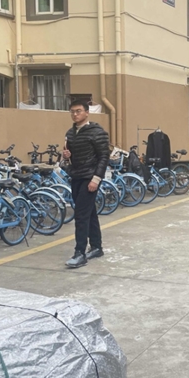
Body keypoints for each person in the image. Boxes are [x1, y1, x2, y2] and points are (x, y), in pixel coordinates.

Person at [62, 100, 111, 268]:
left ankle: (80, 253)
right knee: (89, 213)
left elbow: (104, 157)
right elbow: (70, 157)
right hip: (76, 176)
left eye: (78, 111)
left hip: (90, 178)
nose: (75, 114)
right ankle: (96, 247)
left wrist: (96, 179)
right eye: (72, 112)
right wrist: (67, 156)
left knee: (81, 215)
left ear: (87, 112)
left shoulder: (97, 132)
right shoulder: (70, 133)